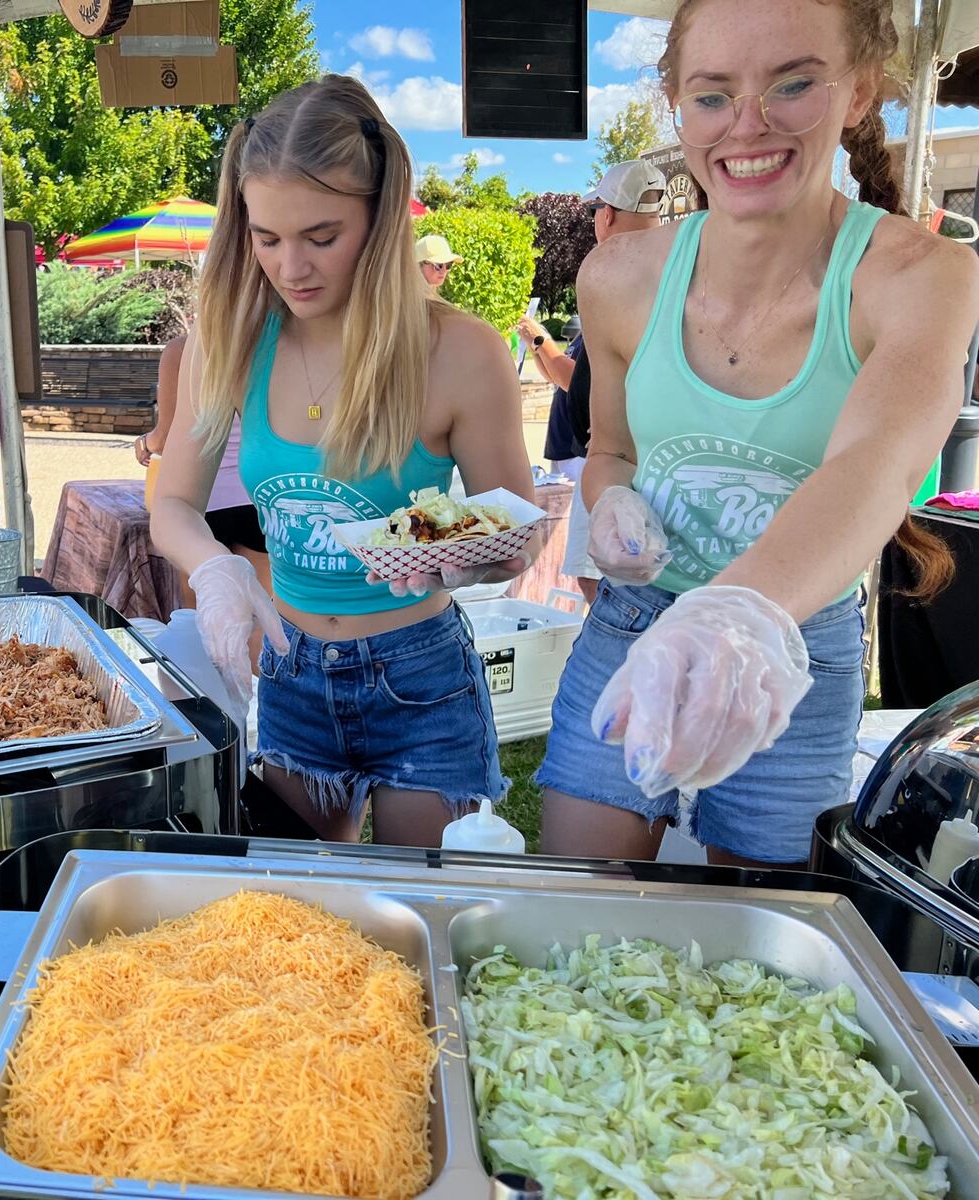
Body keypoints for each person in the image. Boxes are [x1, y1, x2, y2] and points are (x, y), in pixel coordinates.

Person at [537, 0, 979, 869]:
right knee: (575, 899)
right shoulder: (618, 275)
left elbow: (878, 461)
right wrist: (612, 497)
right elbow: (611, 448)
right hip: (631, 621)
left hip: (793, 641)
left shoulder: (923, 276)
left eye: (794, 83)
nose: (749, 125)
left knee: (760, 941)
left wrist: (738, 611)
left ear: (857, 90)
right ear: (675, 102)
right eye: (712, 96)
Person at [151, 75, 538, 848]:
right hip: (292, 669)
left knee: (427, 907)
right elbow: (173, 504)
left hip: (421, 674)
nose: (291, 267)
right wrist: (215, 572)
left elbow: (515, 532)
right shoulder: (228, 342)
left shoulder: (460, 352)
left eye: (321, 237)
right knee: (301, 920)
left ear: (381, 218)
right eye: (267, 239)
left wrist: (469, 559)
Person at [516, 160, 667, 605]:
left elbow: (580, 386)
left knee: (598, 579)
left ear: (607, 214)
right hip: (651, 457)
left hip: (610, 458)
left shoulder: (609, 275)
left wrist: (540, 340)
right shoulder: (673, 272)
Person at [138, 333, 273, 614]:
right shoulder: (277, 344)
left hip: (198, 508)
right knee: (266, 626)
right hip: (260, 499)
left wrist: (143, 443)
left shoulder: (182, 350)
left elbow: (164, 438)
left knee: (203, 625)